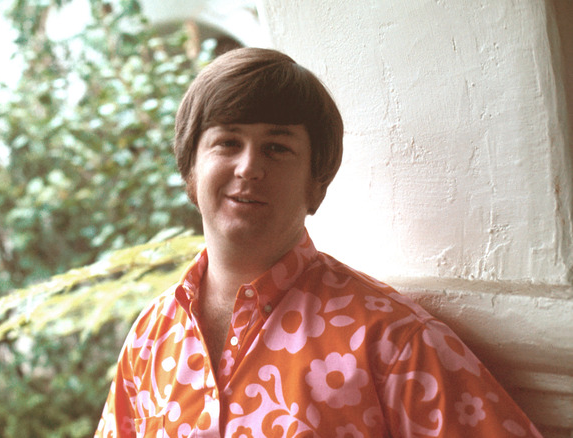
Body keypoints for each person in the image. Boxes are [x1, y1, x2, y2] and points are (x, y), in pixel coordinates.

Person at [95, 47, 541, 437]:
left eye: (277, 148)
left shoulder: (393, 343)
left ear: (317, 184)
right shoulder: (150, 339)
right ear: (191, 173)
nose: (249, 167)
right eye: (228, 142)